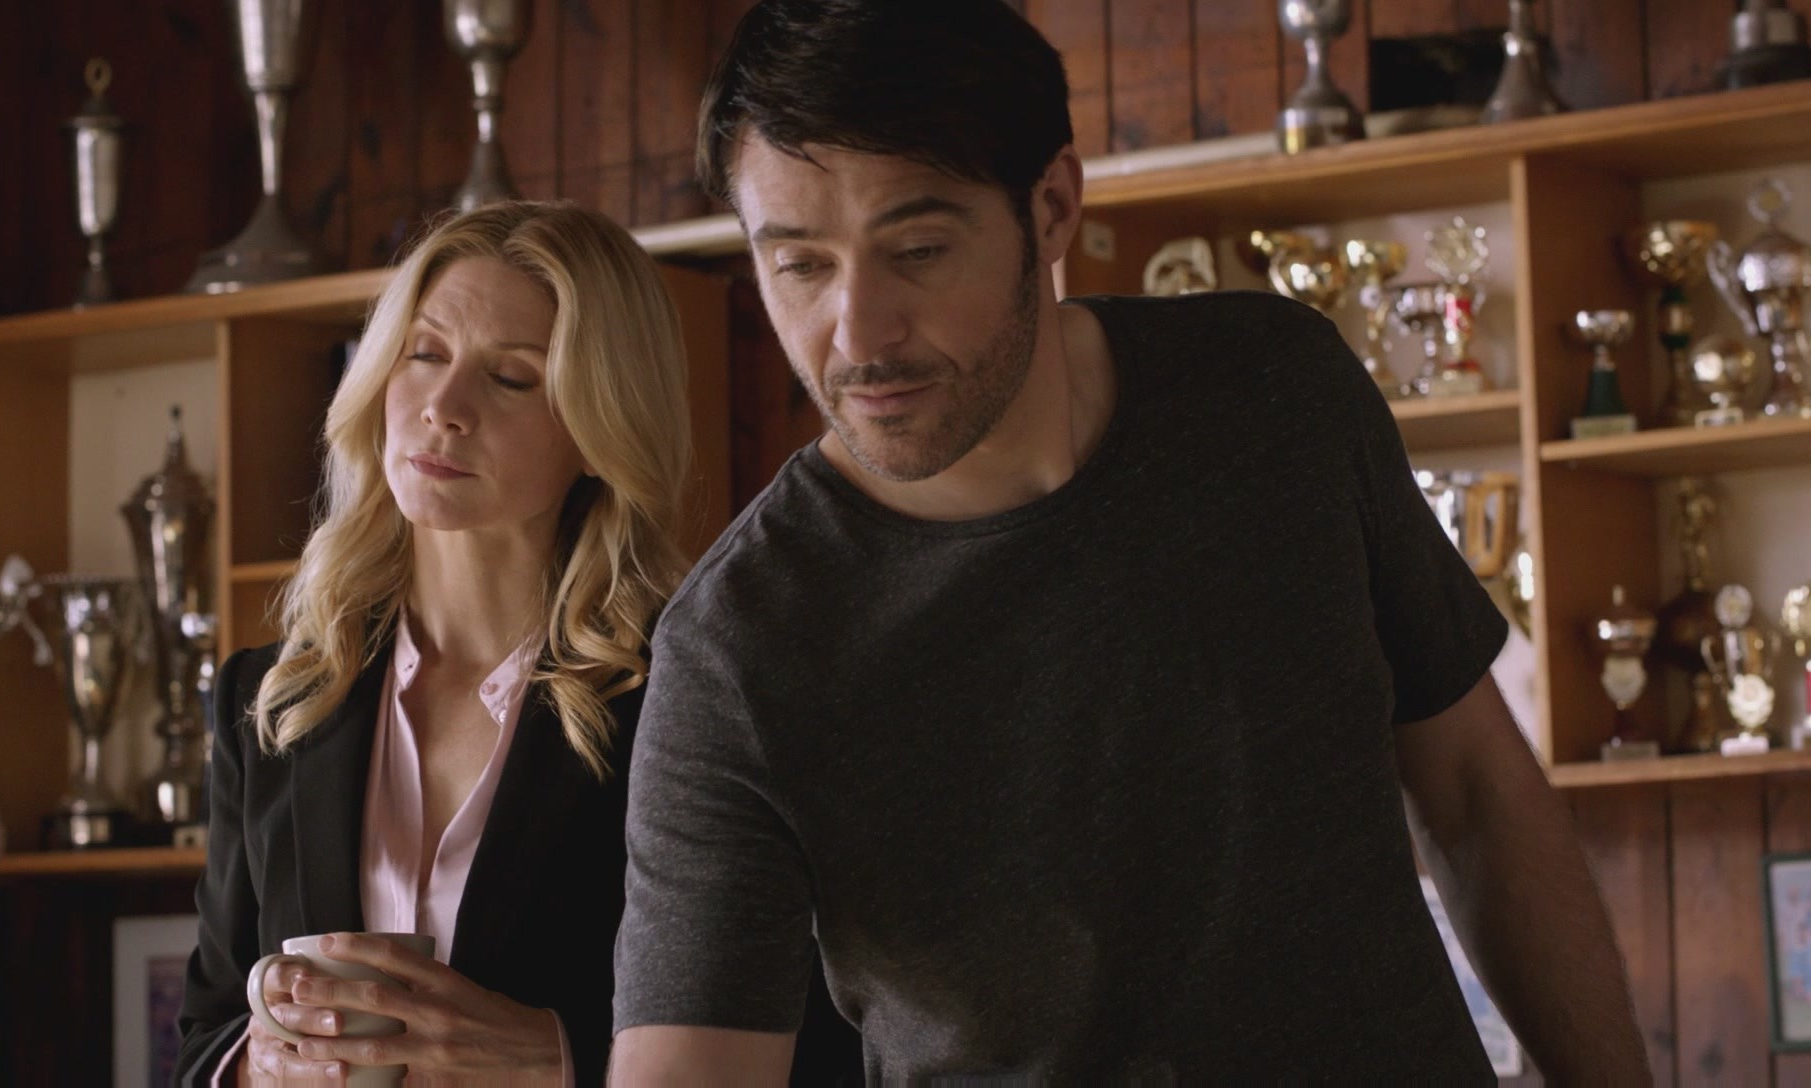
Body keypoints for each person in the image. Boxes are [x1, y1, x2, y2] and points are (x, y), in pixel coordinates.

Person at [608, 1, 1651, 1082]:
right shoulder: (738, 648)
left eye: (918, 249)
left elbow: (1477, 792)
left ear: (1053, 206)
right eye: (800, 266)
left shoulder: (1278, 393)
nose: (858, 332)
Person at [175, 201, 858, 1085]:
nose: (444, 408)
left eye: (511, 377)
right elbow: (204, 1036)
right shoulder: (270, 699)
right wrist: (256, 1064)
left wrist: (559, 1060)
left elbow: (835, 1041)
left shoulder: (693, 695)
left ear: (599, 428)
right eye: (424, 354)